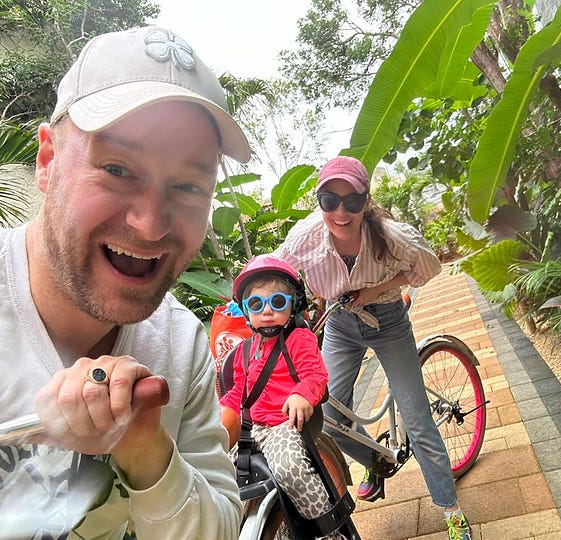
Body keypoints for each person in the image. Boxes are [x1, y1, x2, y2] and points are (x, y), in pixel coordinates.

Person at [0, 26, 250, 539]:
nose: (152, 223)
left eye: (188, 185)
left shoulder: (179, 345)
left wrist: (144, 448)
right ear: (47, 162)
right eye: (117, 168)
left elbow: (222, 525)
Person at [275, 156, 473, 539]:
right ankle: (375, 461)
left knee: (418, 421)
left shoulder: (392, 235)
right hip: (340, 325)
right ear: (319, 201)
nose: (340, 212)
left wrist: (375, 290)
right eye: (329, 200)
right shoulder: (306, 236)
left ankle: (451, 511)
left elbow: (428, 268)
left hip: (388, 321)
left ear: (366, 202)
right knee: (328, 416)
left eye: (352, 201)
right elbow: (276, 271)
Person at [218, 254, 344, 540]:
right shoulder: (243, 352)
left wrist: (301, 394)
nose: (267, 312)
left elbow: (315, 375)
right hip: (249, 430)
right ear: (246, 310)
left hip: (282, 426)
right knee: (220, 479)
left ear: (292, 306)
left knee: (289, 468)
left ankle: (329, 531)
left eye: (277, 303)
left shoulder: (299, 340)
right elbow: (239, 391)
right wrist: (222, 415)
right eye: (256, 304)